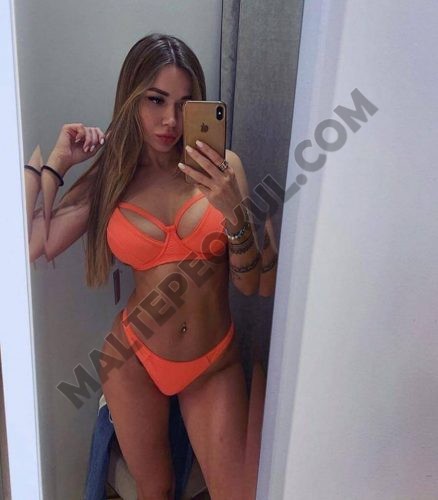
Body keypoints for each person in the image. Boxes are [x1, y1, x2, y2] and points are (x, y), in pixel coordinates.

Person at [24, 33, 262, 499]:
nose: (170, 119)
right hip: (133, 358)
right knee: (154, 491)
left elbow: (250, 283)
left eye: (184, 103)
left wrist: (235, 211)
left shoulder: (223, 169)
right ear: (131, 97)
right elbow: (34, 243)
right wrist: (57, 163)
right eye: (156, 100)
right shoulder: (111, 176)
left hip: (212, 362)